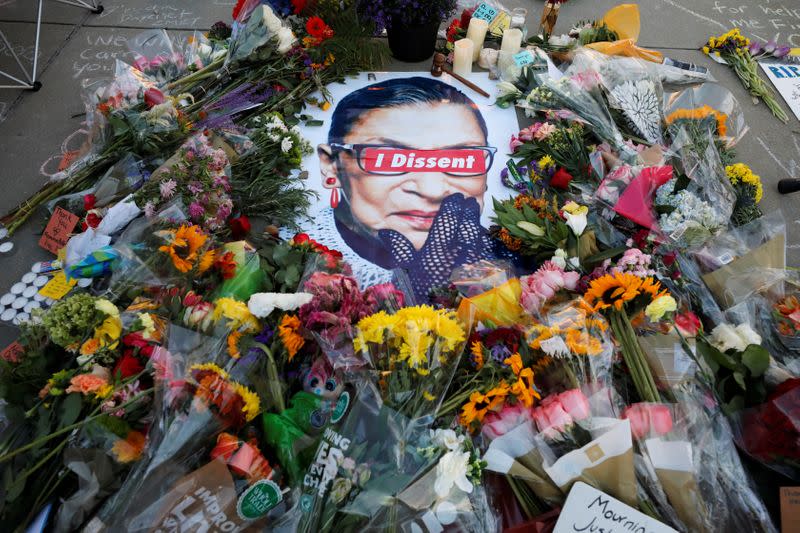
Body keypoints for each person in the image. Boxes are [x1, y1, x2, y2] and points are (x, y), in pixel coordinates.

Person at [307, 76, 498, 299]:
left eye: (460, 159)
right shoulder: (289, 255)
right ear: (332, 165)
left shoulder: (515, 253)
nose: (431, 190)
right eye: (390, 159)